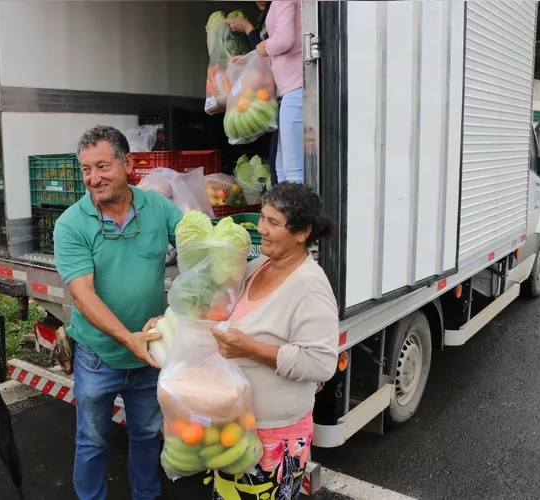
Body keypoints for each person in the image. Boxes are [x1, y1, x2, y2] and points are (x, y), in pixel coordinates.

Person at [146, 183, 339, 499]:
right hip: (230, 427)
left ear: (303, 232)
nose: (261, 228)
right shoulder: (257, 266)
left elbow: (321, 363)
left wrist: (250, 349)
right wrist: (169, 324)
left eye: (273, 223)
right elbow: (213, 312)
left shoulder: (309, 287)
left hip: (275, 437)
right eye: (263, 217)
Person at [53, 125, 184, 500]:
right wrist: (129, 339)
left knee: (146, 435)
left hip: (150, 353)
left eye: (102, 166)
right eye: (86, 169)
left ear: (128, 164)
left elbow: (195, 249)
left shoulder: (157, 207)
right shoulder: (72, 224)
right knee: (92, 441)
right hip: (98, 356)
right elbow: (83, 296)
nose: (93, 178)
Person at [229, 0, 304, 184]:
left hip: (295, 87)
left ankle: (295, 213)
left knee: (292, 172)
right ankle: (286, 212)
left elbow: (285, 40)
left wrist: (263, 47)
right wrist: (252, 58)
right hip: (289, 89)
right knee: (282, 169)